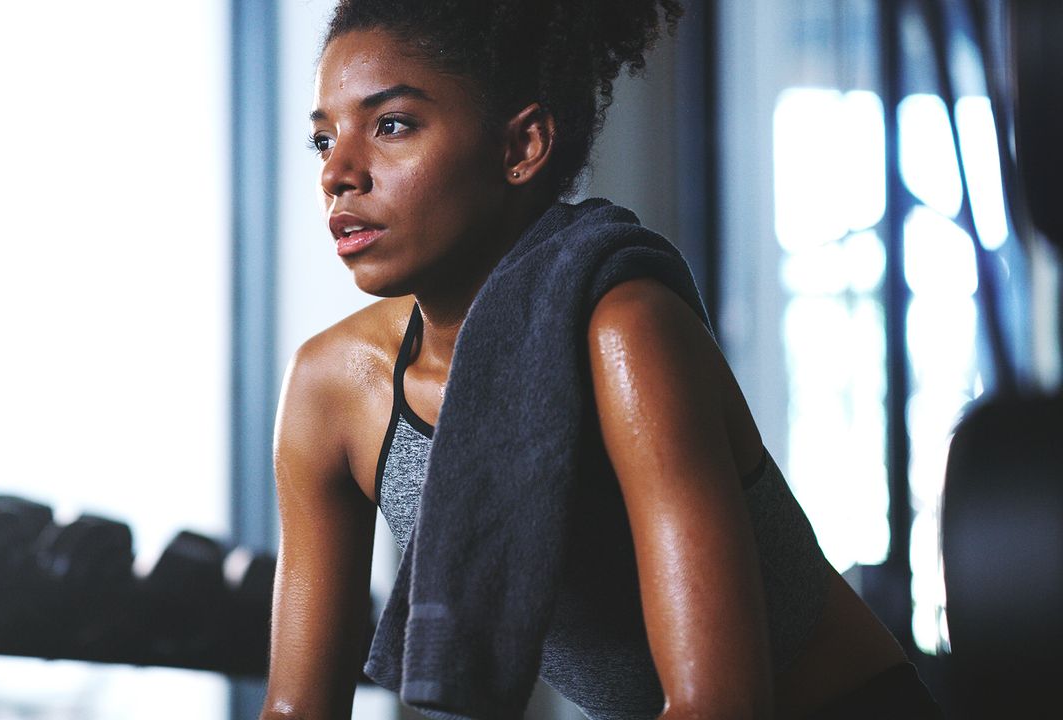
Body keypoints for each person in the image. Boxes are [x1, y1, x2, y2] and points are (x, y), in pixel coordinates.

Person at [261, 1, 942, 718]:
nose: (339, 172)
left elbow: (719, 704)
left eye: (391, 125)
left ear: (522, 147)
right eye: (323, 140)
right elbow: (294, 711)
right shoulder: (331, 388)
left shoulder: (625, 332)